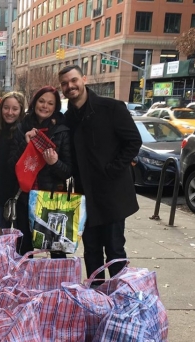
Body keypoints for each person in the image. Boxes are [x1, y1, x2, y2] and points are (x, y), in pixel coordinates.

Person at [58, 65, 142, 282]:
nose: (70, 86)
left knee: (115, 249)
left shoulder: (111, 108)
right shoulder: (68, 119)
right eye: (65, 83)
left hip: (112, 193)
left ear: (84, 79)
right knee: (91, 251)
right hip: (85, 195)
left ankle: (119, 299)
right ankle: (96, 299)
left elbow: (133, 141)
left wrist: (113, 169)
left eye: (73, 80)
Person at [9, 86, 73, 256]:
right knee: (23, 247)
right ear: (34, 102)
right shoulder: (22, 127)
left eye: (50, 103)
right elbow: (12, 163)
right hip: (25, 196)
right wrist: (26, 142)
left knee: (56, 249)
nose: (45, 106)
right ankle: (25, 281)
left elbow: (67, 171)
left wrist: (54, 162)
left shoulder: (62, 132)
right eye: (41, 101)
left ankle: (56, 282)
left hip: (51, 198)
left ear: (55, 107)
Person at [0, 91, 26, 230]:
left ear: (21, 110)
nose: (10, 112)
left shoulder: (23, 130)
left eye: (15, 109)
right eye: (6, 107)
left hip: (19, 192)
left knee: (19, 237)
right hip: (0, 190)